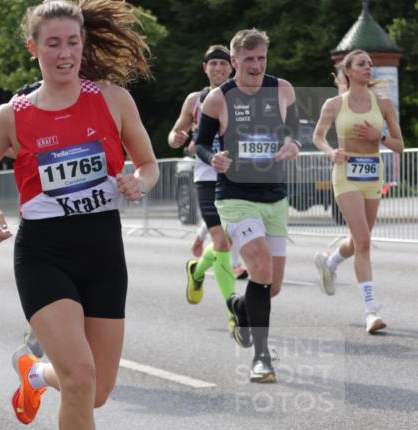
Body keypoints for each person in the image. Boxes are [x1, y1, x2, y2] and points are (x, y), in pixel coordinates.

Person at [0, 0, 159, 430]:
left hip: (103, 253)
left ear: (83, 44)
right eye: (52, 43)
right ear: (33, 49)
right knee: (78, 375)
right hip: (44, 253)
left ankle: (32, 373)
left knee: (95, 391)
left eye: (72, 42)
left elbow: (148, 164)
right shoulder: (12, 115)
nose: (65, 53)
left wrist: (139, 182)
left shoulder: (113, 101)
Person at [195, 28, 301, 383]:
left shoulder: (282, 89)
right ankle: (262, 357)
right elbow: (201, 143)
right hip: (235, 196)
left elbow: (293, 130)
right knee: (261, 265)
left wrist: (292, 144)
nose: (256, 66)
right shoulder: (218, 99)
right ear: (234, 61)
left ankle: (240, 306)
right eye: (249, 59)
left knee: (271, 285)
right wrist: (213, 158)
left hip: (275, 196)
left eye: (262, 58)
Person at [312, 50, 403, 333]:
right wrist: (331, 152)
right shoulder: (334, 104)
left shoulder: (383, 104)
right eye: (362, 64)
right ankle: (371, 312)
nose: (368, 68)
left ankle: (330, 262)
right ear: (348, 71)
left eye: (370, 64)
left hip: (373, 175)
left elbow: (400, 146)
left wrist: (380, 136)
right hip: (345, 176)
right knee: (363, 240)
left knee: (358, 241)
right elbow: (318, 136)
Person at [168, 45, 238, 327]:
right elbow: (176, 132)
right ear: (205, 68)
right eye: (213, 64)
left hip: (236, 178)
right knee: (221, 242)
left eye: (223, 64)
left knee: (228, 241)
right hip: (207, 176)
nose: (218, 68)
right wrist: (177, 138)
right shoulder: (195, 99)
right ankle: (233, 311)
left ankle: (197, 271)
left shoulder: (241, 97)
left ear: (232, 67)